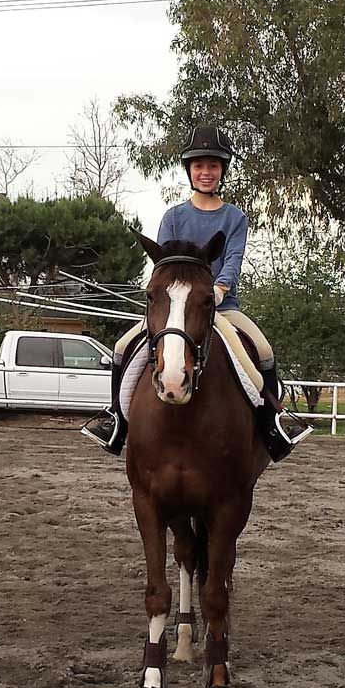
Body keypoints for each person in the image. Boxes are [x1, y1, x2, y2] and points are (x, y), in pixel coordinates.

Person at [80, 125, 294, 459]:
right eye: (199, 166)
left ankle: (272, 424)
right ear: (189, 171)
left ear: (222, 170)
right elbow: (163, 266)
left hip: (220, 306)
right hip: (173, 308)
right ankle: (116, 422)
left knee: (263, 350)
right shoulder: (174, 216)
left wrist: (220, 288)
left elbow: (233, 259)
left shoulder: (235, 217)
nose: (206, 172)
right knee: (122, 347)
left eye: (213, 166)